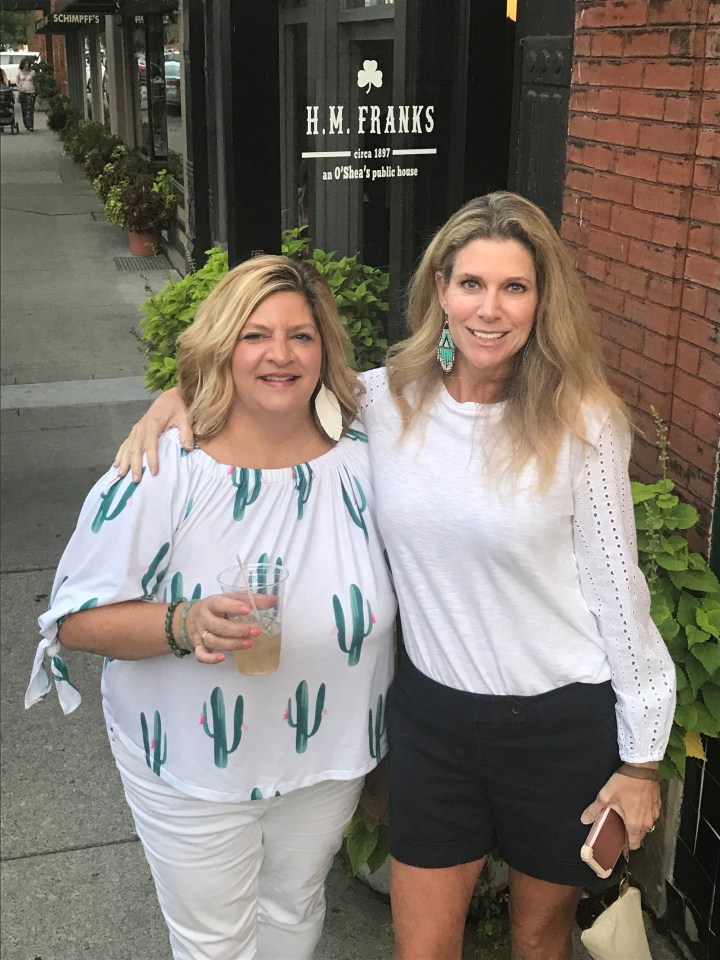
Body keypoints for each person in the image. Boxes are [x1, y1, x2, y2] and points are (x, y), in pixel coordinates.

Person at [114, 192, 676, 960]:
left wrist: (641, 759)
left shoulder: (583, 420)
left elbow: (619, 591)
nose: (489, 309)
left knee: (538, 940)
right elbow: (268, 386)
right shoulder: (383, 401)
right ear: (440, 290)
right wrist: (175, 398)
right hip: (434, 719)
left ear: (543, 301)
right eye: (471, 284)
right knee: (421, 947)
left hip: (558, 723)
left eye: (514, 287)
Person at [25, 256, 396, 960]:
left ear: (325, 350)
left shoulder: (366, 459)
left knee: (295, 912)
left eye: (301, 336)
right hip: (194, 767)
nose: (280, 354)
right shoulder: (165, 468)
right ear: (223, 346)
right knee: (214, 944)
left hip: (328, 758)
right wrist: (182, 622)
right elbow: (73, 618)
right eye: (255, 336)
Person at [16, 57, 36, 132]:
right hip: (22, 92)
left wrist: (36, 90)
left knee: (30, 109)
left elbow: (35, 81)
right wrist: (19, 86)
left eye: (28, 63)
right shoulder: (19, 72)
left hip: (31, 92)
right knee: (24, 109)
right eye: (25, 63)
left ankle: (31, 126)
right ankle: (26, 124)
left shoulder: (32, 72)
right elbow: (17, 81)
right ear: (22, 64)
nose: (27, 65)